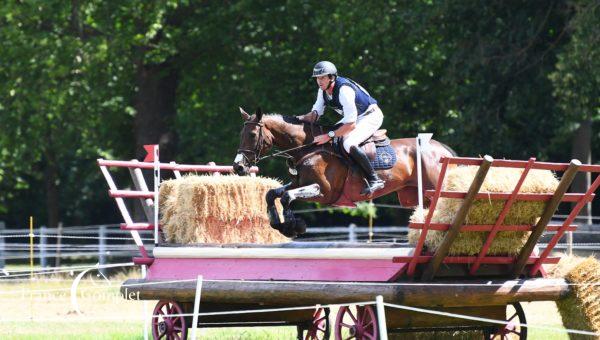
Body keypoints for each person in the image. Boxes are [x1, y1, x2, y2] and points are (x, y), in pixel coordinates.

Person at [296, 61, 385, 195]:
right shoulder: (323, 91)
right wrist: (294, 119)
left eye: (322, 77)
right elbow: (315, 115)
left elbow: (351, 125)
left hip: (371, 116)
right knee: (329, 135)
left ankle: (374, 179)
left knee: (349, 142)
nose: (319, 81)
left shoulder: (344, 90)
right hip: (354, 117)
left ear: (331, 77)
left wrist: (329, 135)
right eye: (317, 78)